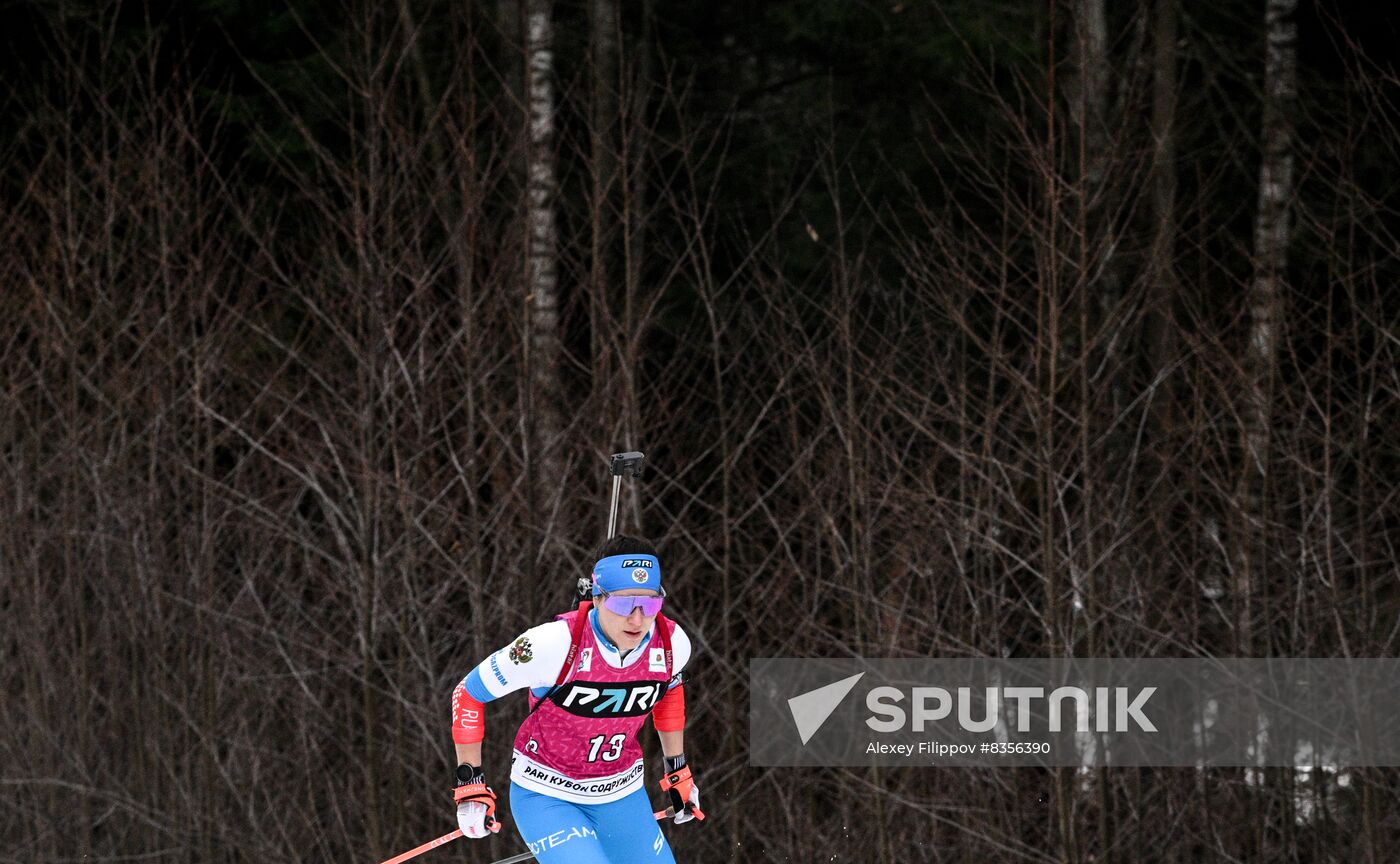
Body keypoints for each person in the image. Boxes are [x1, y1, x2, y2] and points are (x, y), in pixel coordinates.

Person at [450, 535, 702, 863]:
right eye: (624, 604)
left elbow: (669, 690)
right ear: (597, 597)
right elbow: (468, 693)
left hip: (621, 794)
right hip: (548, 795)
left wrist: (677, 770)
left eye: (650, 604)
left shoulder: (672, 644)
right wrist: (470, 784)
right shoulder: (552, 645)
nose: (638, 619)